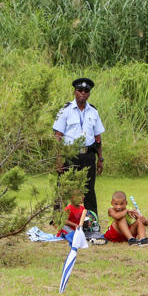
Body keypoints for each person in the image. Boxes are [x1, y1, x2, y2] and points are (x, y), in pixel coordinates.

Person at [53, 77, 105, 216]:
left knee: (89, 189)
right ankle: (58, 218)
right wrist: (58, 158)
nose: (83, 93)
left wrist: (100, 159)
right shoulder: (65, 110)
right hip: (70, 154)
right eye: (80, 90)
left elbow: (98, 137)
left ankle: (91, 220)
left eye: (86, 91)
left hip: (88, 155)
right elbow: (58, 136)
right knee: (63, 186)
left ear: (89, 93)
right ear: (74, 91)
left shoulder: (93, 112)